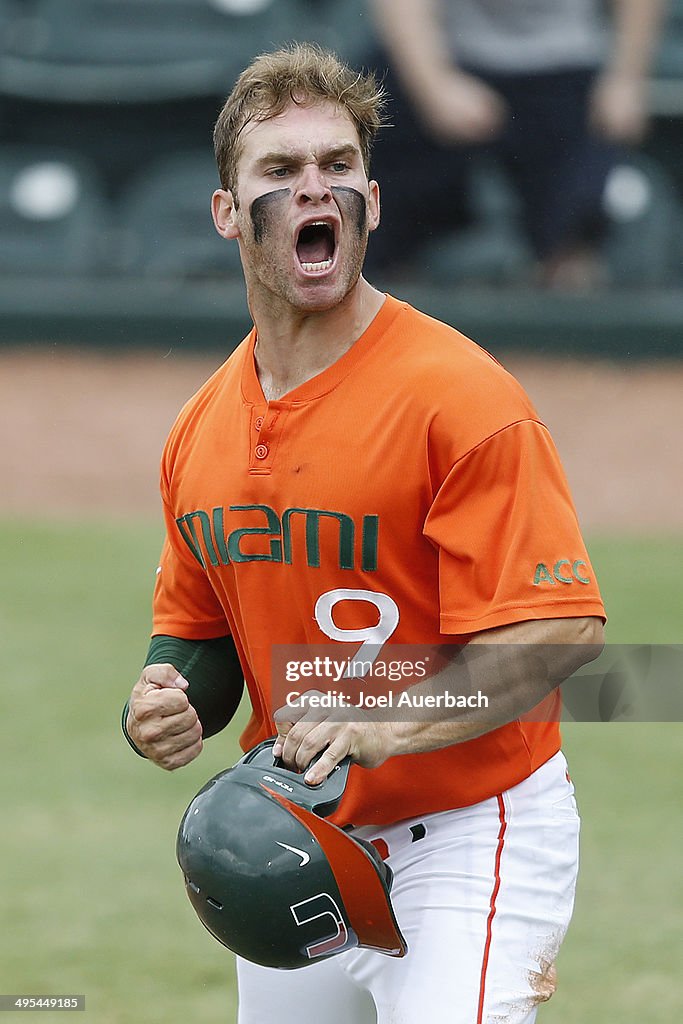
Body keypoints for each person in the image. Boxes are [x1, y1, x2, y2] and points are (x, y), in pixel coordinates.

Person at [122, 43, 606, 1023]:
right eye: (280, 170)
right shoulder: (201, 428)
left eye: (337, 166)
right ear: (226, 213)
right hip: (295, 838)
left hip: (470, 839)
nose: (316, 188)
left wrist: (383, 719)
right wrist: (168, 698)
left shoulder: (460, 398)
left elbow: (556, 633)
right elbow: (201, 635)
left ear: (370, 204)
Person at [365, 0, 667, 287]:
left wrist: (627, 79)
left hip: (569, 66)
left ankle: (569, 307)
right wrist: (433, 85)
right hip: (451, 52)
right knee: (375, 148)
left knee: (575, 232)